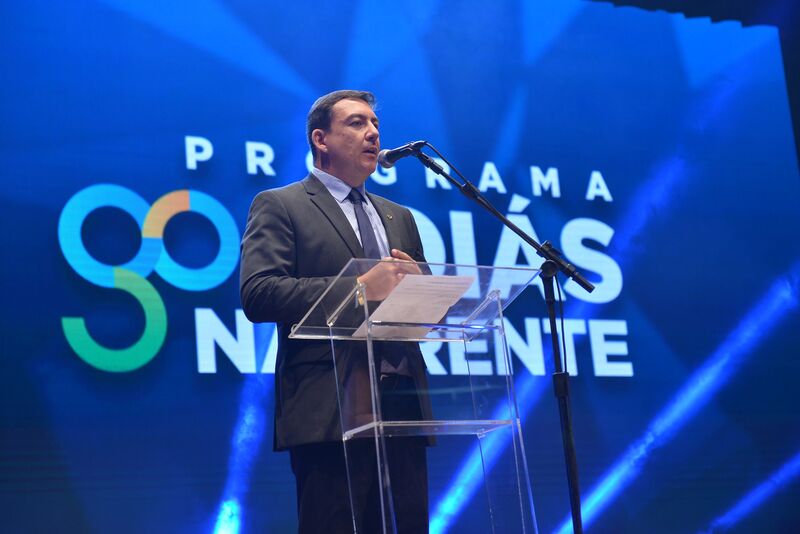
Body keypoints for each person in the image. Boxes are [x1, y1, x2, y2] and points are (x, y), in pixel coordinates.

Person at [240, 90, 431, 533]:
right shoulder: (281, 204)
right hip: (329, 406)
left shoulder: (399, 216)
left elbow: (419, 312)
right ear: (320, 139)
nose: (373, 133)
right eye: (357, 123)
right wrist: (359, 289)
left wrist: (424, 289)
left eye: (375, 124)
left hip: (402, 405)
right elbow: (259, 293)